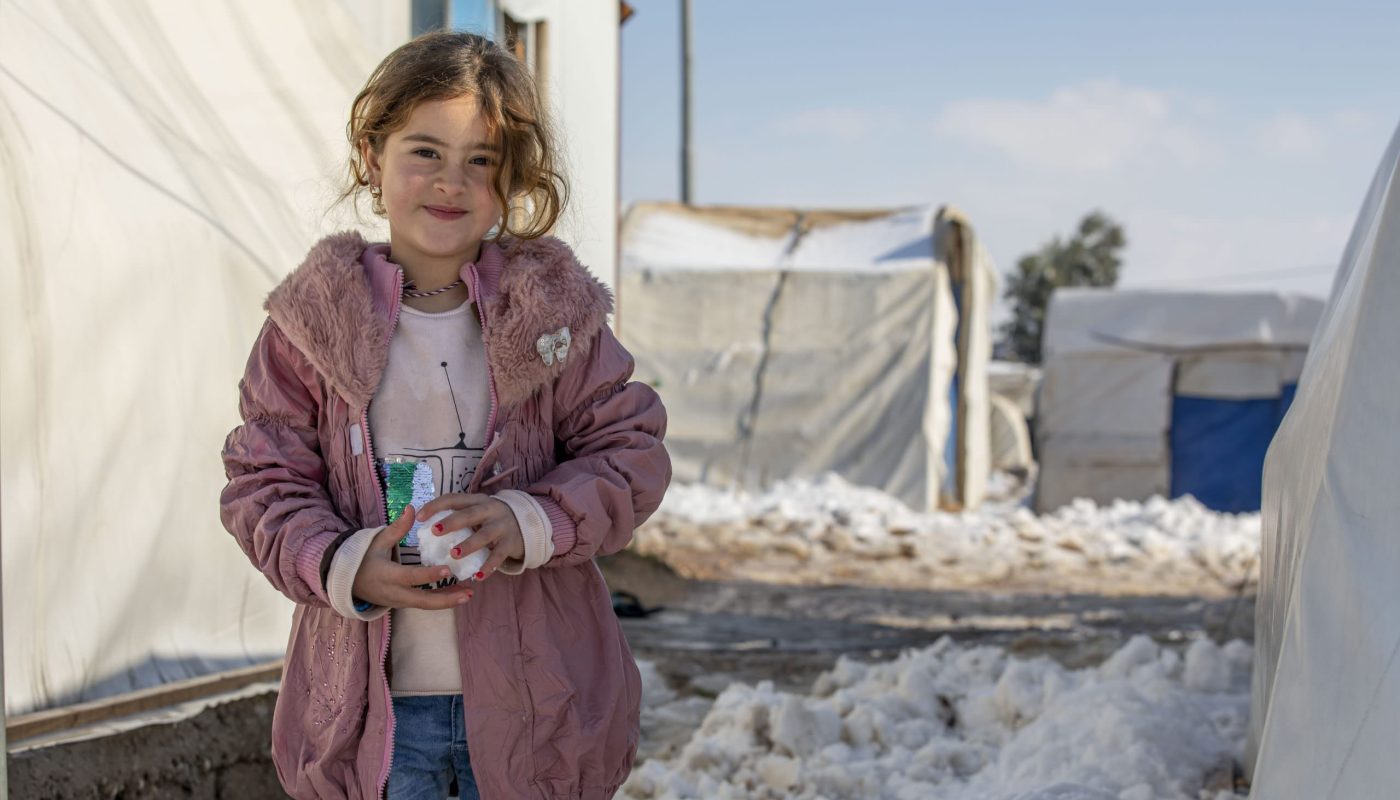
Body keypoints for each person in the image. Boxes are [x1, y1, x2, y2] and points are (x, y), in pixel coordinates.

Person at [219, 30, 670, 800]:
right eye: (425, 151)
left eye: (481, 160)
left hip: (542, 711)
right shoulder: (311, 326)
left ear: (511, 175)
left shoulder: (553, 318)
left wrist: (527, 519)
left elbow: (631, 453)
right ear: (372, 156)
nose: (450, 182)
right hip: (373, 719)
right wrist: (344, 562)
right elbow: (263, 482)